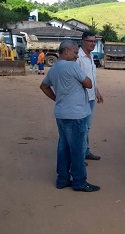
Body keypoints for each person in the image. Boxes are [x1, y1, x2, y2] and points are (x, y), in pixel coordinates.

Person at [39, 40, 100, 192]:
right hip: (76, 114)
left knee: (63, 147)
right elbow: (88, 83)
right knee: (77, 149)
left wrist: (57, 98)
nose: (76, 56)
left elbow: (44, 86)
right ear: (66, 51)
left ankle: (62, 179)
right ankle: (79, 181)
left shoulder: (54, 68)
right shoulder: (72, 66)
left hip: (62, 113)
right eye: (74, 53)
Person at [77, 31, 103, 161]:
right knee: (83, 128)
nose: (93, 44)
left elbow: (91, 77)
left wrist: (97, 91)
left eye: (94, 41)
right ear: (83, 41)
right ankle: (80, 156)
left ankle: (86, 151)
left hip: (91, 96)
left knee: (87, 126)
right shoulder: (78, 57)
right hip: (82, 98)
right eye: (90, 41)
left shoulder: (91, 56)